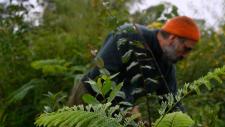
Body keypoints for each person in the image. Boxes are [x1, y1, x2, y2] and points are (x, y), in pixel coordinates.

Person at [68, 16, 200, 112]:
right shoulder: (129, 35)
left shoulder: (166, 64)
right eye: (186, 49)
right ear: (172, 39)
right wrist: (128, 108)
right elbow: (101, 75)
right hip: (88, 98)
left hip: (120, 113)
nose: (185, 55)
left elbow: (172, 103)